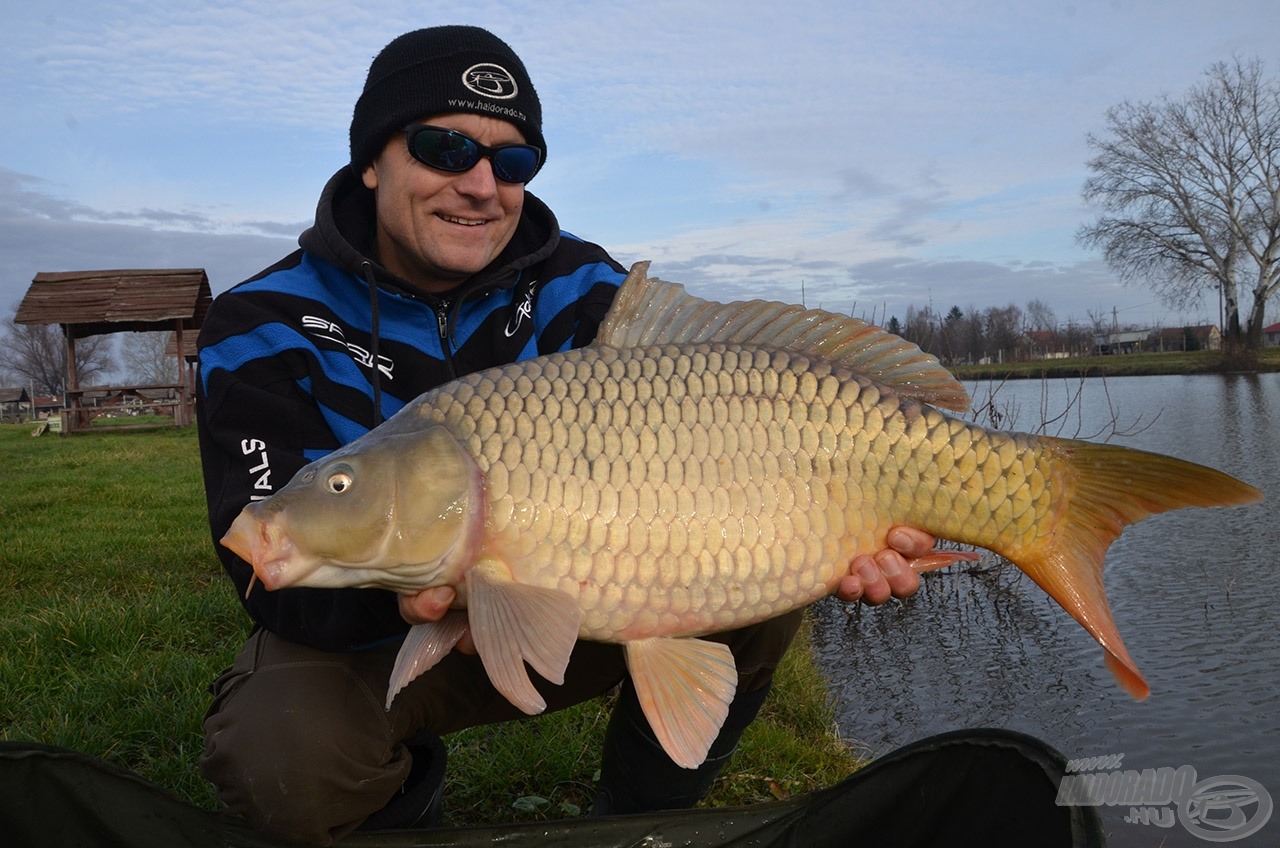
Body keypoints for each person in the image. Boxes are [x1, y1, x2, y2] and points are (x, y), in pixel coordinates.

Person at [195, 25, 936, 845]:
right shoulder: (257, 322)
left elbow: (723, 435)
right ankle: (407, 818)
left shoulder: (586, 291)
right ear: (372, 160)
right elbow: (261, 557)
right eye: (446, 148)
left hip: (582, 610)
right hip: (374, 636)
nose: (482, 184)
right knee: (280, 741)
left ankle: (639, 821)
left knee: (760, 578)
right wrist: (419, 596)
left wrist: (843, 519)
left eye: (512, 162)